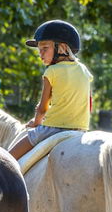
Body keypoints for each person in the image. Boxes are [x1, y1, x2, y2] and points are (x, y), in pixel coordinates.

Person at [9, 20, 93, 160]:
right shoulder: (84, 71)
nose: (40, 54)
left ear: (62, 47)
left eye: (45, 48)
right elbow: (88, 104)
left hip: (53, 128)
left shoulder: (51, 72)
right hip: (81, 129)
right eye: (39, 50)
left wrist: (35, 123)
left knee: (7, 158)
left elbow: (42, 108)